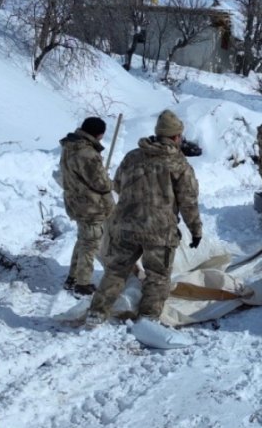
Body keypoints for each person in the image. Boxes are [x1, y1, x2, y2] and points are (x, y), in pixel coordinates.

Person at [86, 109, 202, 326]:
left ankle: (97, 313)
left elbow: (118, 185)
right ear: (176, 137)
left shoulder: (132, 156)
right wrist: (196, 230)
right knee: (157, 276)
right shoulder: (178, 163)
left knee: (116, 271)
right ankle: (147, 319)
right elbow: (188, 201)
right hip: (159, 232)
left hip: (126, 227)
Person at [59, 116, 114, 295]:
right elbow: (101, 184)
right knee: (90, 244)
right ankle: (83, 284)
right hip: (90, 206)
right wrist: (109, 181)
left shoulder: (69, 146)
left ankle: (72, 277)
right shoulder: (88, 154)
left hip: (75, 201)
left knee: (84, 239)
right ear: (99, 134)